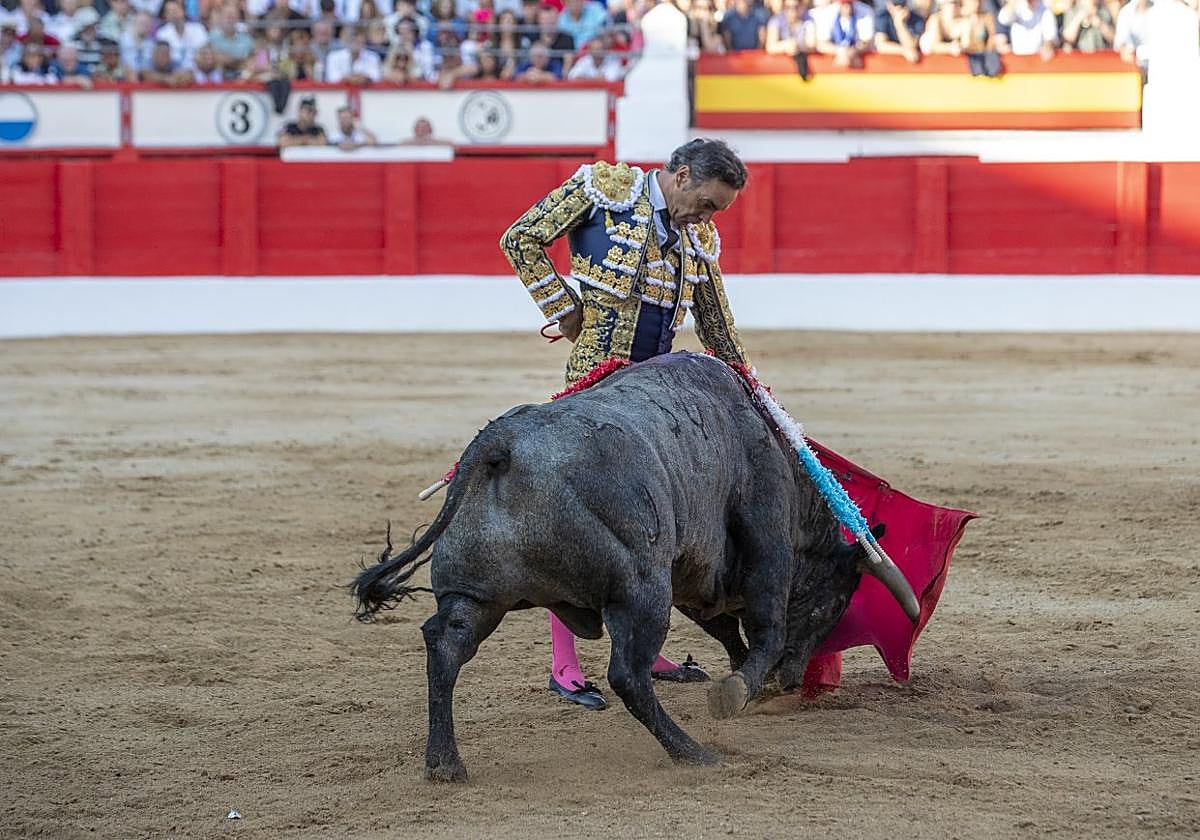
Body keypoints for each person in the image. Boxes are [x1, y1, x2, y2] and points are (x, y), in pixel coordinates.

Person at [499, 139, 753, 710]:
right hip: (592, 382)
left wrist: (748, 385)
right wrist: (563, 309)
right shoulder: (603, 191)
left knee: (655, 525)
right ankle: (564, 664)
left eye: (716, 210)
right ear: (681, 176)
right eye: (706, 203)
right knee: (575, 523)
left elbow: (714, 320)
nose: (706, 217)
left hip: (653, 397)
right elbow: (520, 239)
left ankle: (644, 648)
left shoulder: (698, 239)